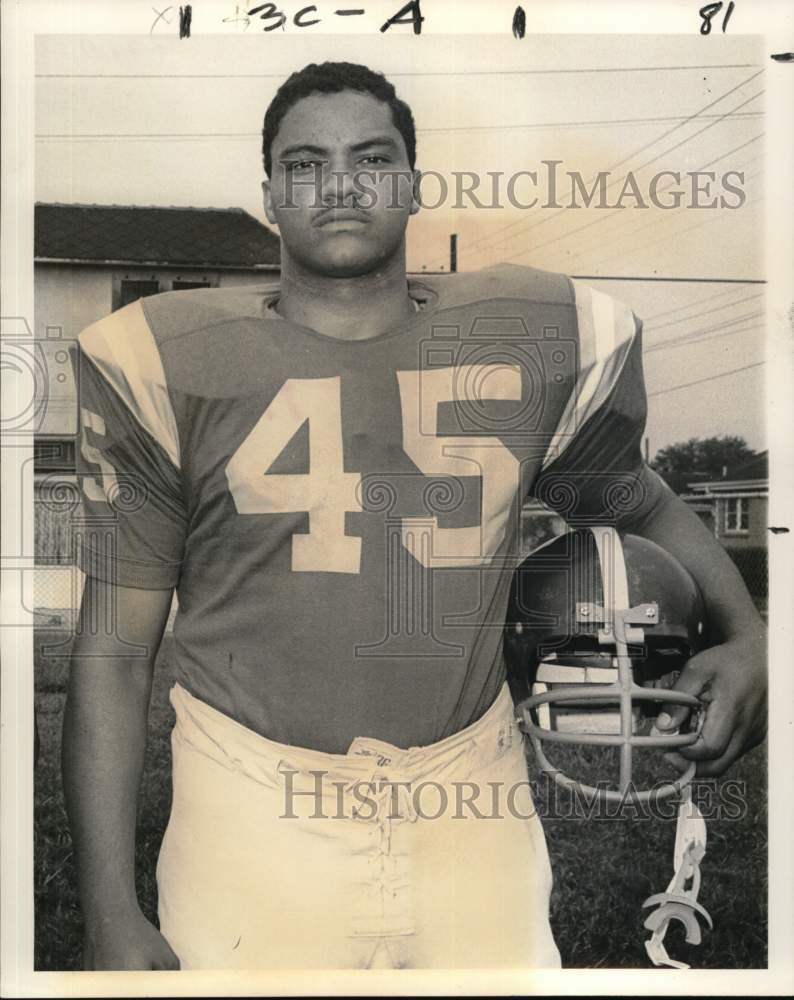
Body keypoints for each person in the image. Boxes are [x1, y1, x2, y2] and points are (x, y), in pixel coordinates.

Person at [62, 61, 767, 971]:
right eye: (306, 162)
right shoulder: (171, 361)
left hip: (470, 798)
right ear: (270, 192)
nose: (341, 183)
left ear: (415, 184)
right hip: (248, 802)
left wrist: (750, 635)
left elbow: (642, 502)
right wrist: (105, 906)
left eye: (372, 157)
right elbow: (115, 653)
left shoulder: (520, 338)